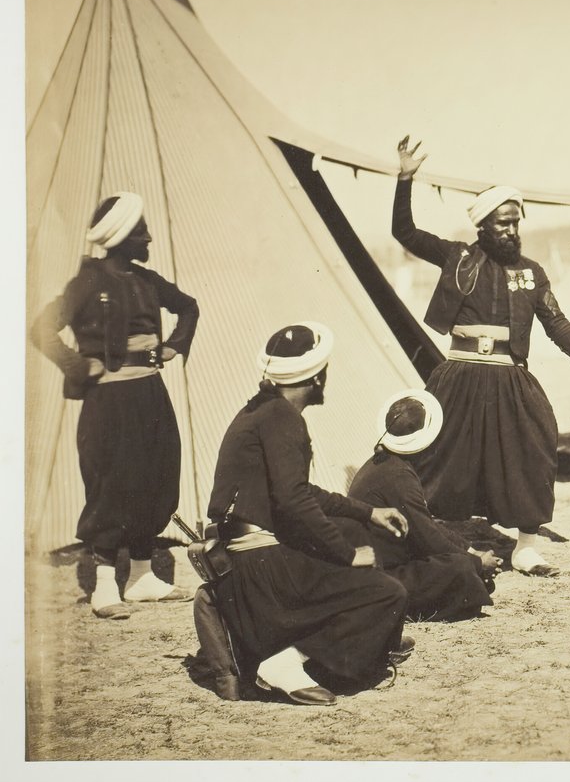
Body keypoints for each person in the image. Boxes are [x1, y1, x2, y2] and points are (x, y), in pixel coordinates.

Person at [392, 136, 570, 576]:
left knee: (534, 444)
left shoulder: (531, 273)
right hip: (458, 374)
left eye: (516, 223)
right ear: (483, 227)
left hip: (509, 375)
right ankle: (425, 537)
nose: (512, 231)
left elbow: (557, 324)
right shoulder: (456, 257)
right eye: (502, 224)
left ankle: (527, 546)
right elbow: (404, 233)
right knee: (435, 454)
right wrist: (405, 179)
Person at [206, 323, 412, 706]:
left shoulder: (260, 410)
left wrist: (368, 512)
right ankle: (285, 661)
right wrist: (348, 556)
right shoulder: (284, 419)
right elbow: (294, 501)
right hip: (261, 562)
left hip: (243, 558)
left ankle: (278, 642)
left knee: (352, 533)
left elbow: (301, 492)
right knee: (388, 593)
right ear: (317, 377)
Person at [30, 192, 198, 619]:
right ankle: (105, 584)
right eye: (141, 231)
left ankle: (141, 577)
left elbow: (188, 308)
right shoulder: (87, 283)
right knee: (109, 482)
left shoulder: (146, 281)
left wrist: (174, 347)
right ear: (122, 236)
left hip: (150, 395)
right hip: (108, 400)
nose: (149, 238)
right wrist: (77, 365)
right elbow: (42, 327)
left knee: (157, 476)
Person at [341, 389, 500, 621]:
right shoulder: (398, 476)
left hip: (378, 566)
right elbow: (428, 538)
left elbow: (424, 523)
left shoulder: (384, 463)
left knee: (461, 562)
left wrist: (469, 549)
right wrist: (477, 562)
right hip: (381, 576)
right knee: (459, 569)